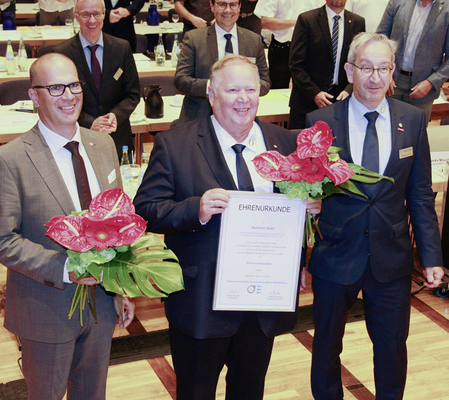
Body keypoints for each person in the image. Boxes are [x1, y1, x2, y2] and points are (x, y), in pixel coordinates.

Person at [135, 54, 321, 400]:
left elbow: (295, 212)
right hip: (200, 300)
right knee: (195, 392)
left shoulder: (285, 143)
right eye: (232, 89)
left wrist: (310, 209)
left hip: (262, 300)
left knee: (249, 391)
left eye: (250, 89)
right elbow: (145, 210)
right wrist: (197, 209)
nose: (243, 98)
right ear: (211, 95)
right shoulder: (174, 145)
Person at [0, 53, 135, 399]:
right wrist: (67, 268)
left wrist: (120, 286)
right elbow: (2, 241)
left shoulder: (102, 144)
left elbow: (118, 224)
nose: (69, 96)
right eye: (55, 88)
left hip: (102, 305)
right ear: (34, 95)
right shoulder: (7, 160)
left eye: (74, 85)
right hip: (45, 308)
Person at [305, 32, 444, 399]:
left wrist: (430, 257)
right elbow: (304, 191)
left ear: (393, 71)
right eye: (366, 67)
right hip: (336, 253)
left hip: (391, 258)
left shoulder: (412, 120)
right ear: (350, 70)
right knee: (326, 348)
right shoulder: (320, 121)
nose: (375, 77)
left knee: (392, 347)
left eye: (383, 68)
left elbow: (419, 194)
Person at [55, 0, 140, 160]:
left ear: (104, 14)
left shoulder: (122, 48)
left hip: (117, 137)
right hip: (78, 138)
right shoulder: (62, 53)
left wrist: (115, 116)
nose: (92, 20)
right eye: (85, 14)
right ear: (76, 16)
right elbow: (59, 101)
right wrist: (89, 122)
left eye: (96, 14)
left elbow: (133, 94)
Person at [174, 0, 270, 125]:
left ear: (239, 7)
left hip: (241, 120)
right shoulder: (194, 39)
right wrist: (214, 87)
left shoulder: (253, 40)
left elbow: (265, 83)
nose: (228, 10)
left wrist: (242, 90)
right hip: (199, 120)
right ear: (212, 6)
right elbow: (181, 81)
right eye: (222, 4)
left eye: (233, 5)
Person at [289, 0, 365, 129]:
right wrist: (314, 93)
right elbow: (295, 64)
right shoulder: (307, 20)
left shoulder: (358, 22)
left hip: (341, 101)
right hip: (307, 100)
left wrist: (349, 89)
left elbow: (359, 63)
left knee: (337, 148)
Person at [377, 0, 449, 126]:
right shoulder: (397, 2)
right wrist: (384, 72)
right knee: (384, 130)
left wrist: (431, 82)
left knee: (415, 136)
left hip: (423, 89)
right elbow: (380, 39)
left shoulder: (447, 9)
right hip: (391, 83)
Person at [254, 0, 311, 89]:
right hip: (281, 48)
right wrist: (297, 23)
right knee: (277, 91)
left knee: (307, 90)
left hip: (308, 47)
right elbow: (265, 22)